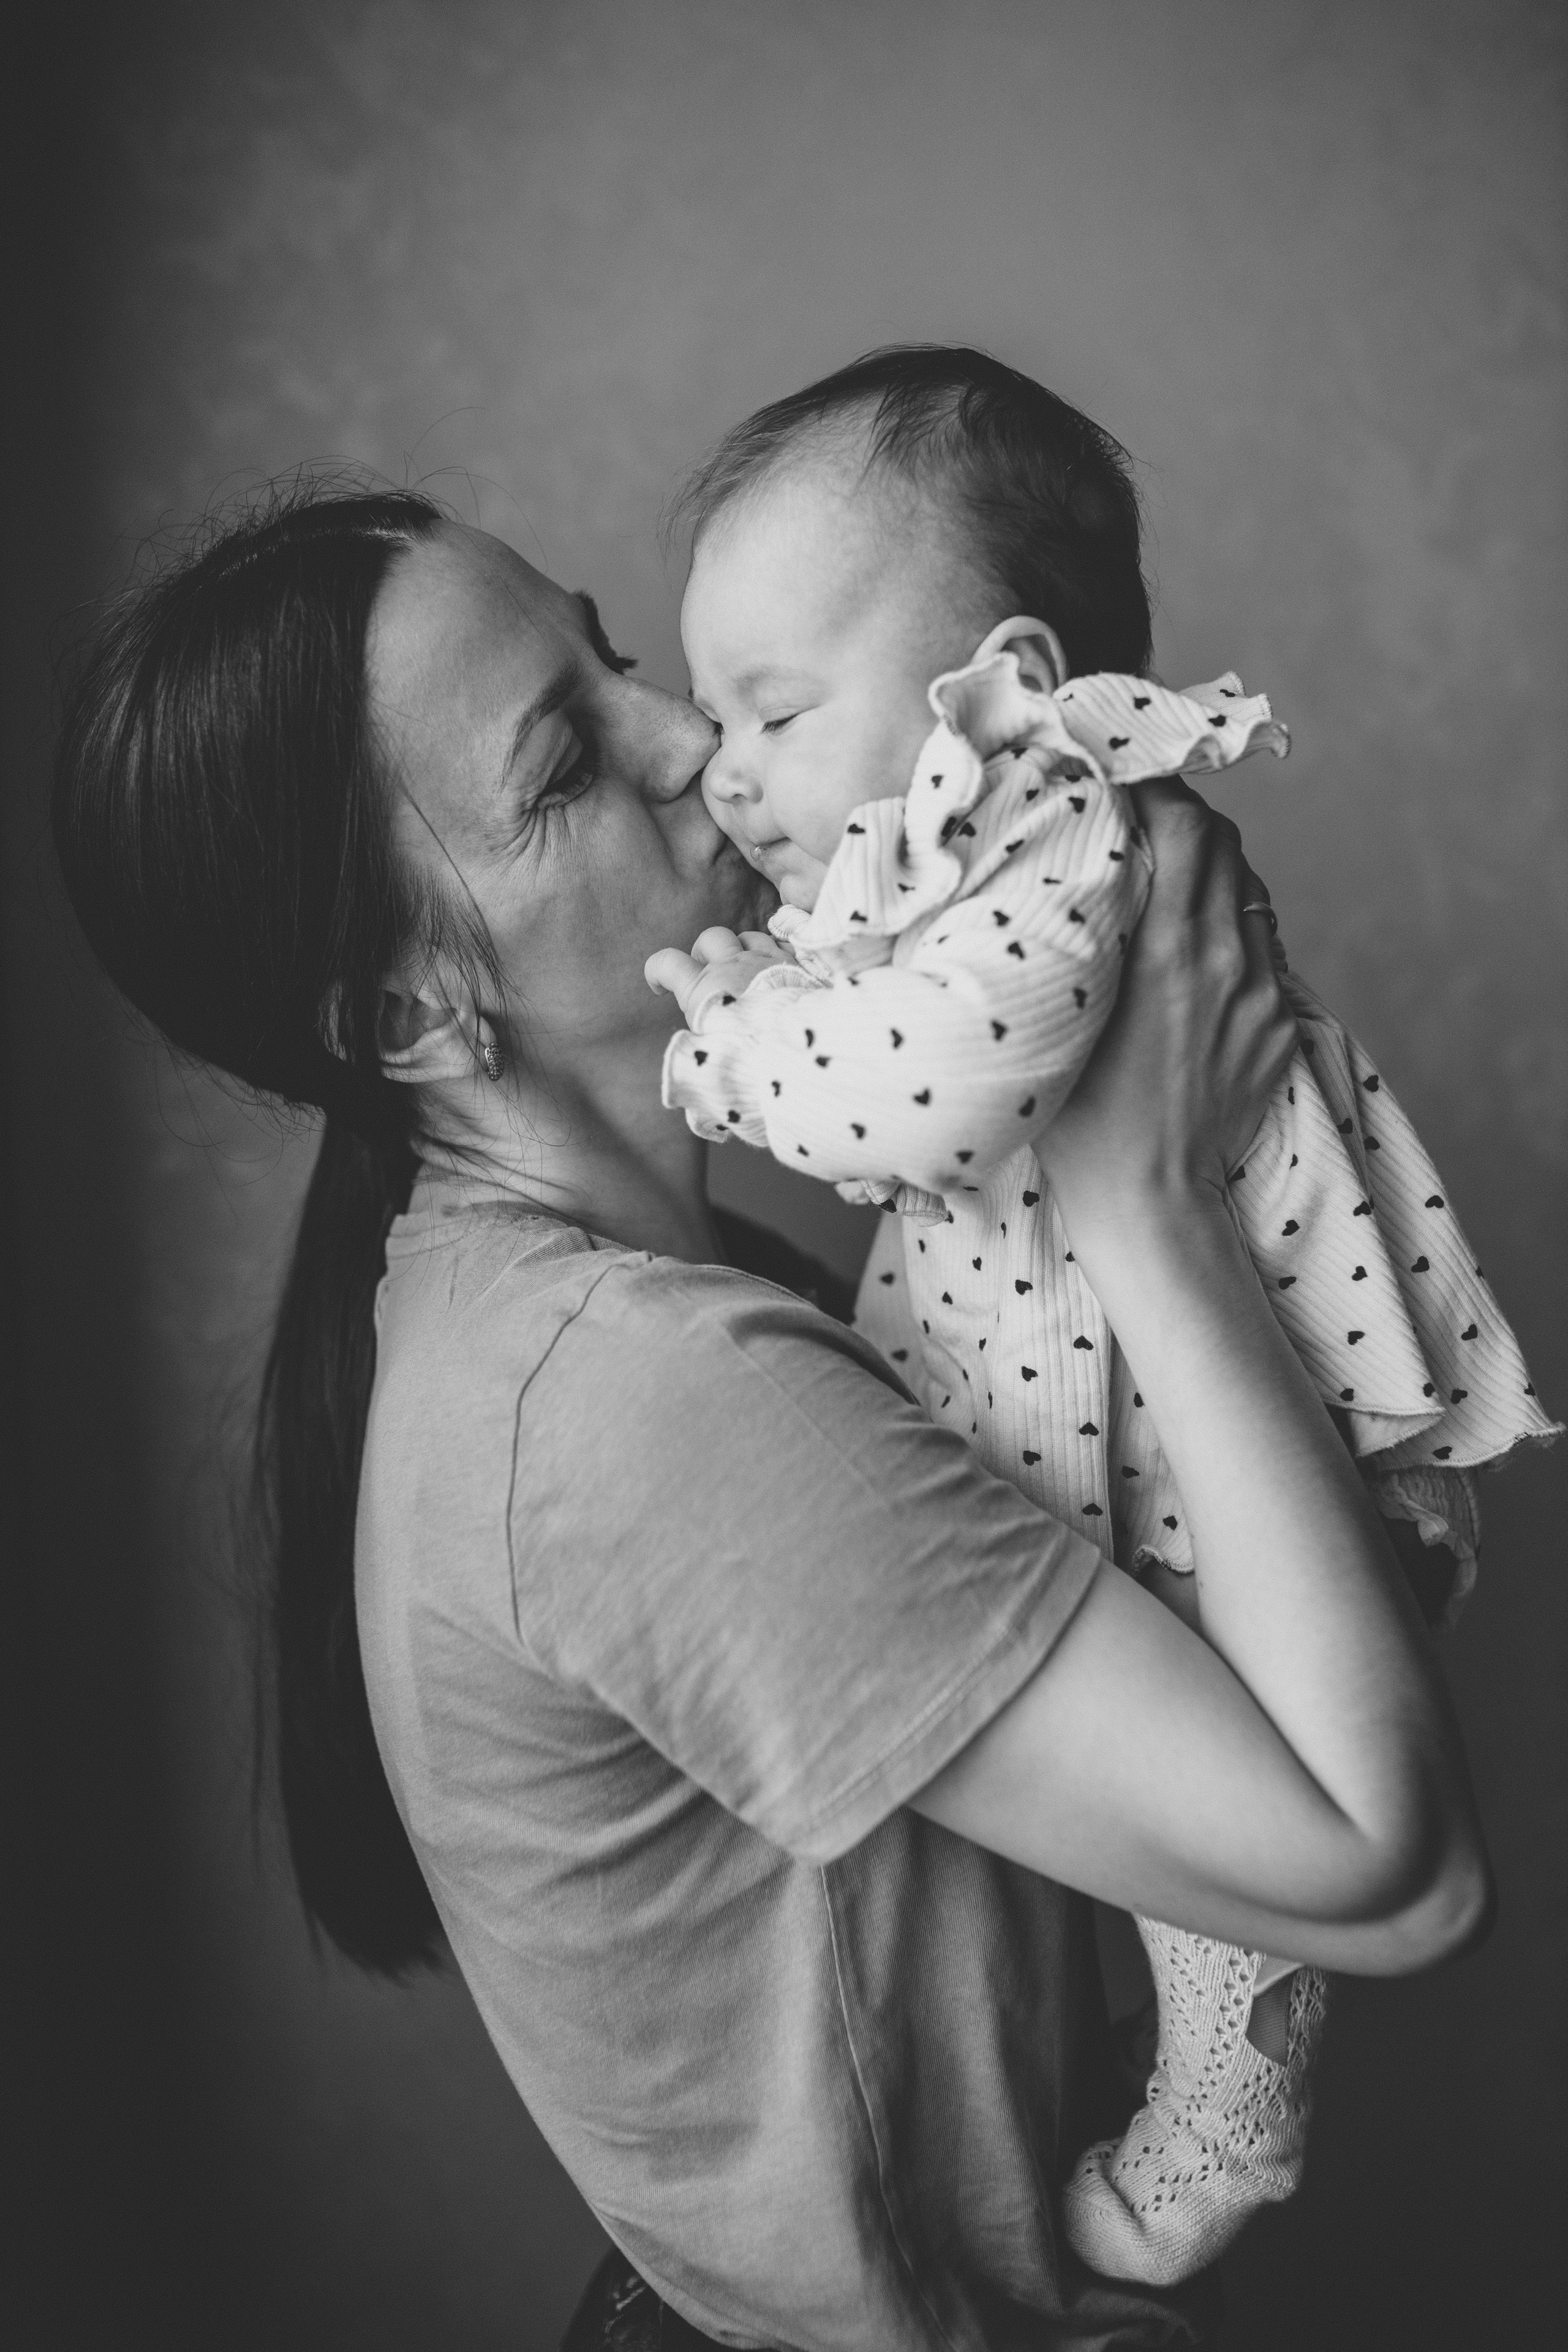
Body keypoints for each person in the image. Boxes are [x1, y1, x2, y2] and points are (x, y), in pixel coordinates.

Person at [53, 481, 1492, 2351]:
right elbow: (1393, 1878)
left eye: (614, 654)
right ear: (415, 1016)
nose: (689, 738)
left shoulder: (709, 1298)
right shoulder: (644, 1405)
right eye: (569, 762)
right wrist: (1150, 1202)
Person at [647, 349, 1555, 2283]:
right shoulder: (933, 886)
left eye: (775, 709)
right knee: (1157, 1849)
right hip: (1121, 1454)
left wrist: (732, 1046)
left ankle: (1224, 2127)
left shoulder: (1069, 838)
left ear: (1005, 686)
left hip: (1253, 1473)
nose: (720, 769)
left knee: (1245, 1875)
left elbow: (911, 1096)